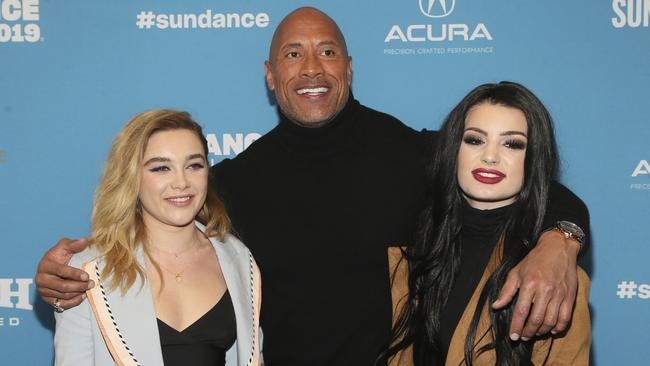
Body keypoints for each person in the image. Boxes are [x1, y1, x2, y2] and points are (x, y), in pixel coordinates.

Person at [39, 8, 588, 366]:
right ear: (271, 75)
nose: (311, 68)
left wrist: (560, 241)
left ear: (348, 66)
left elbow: (526, 181)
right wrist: (69, 271)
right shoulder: (231, 181)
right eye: (292, 54)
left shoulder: (414, 153)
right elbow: (150, 226)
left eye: (326, 51)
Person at [385, 82, 590, 365]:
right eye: (475, 140)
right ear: (452, 149)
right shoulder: (417, 251)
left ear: (534, 159)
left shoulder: (552, 278)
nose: (490, 156)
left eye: (512, 144)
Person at [53, 110, 261, 366]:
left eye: (194, 165)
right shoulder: (89, 269)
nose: (182, 182)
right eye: (161, 168)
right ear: (132, 177)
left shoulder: (238, 258)